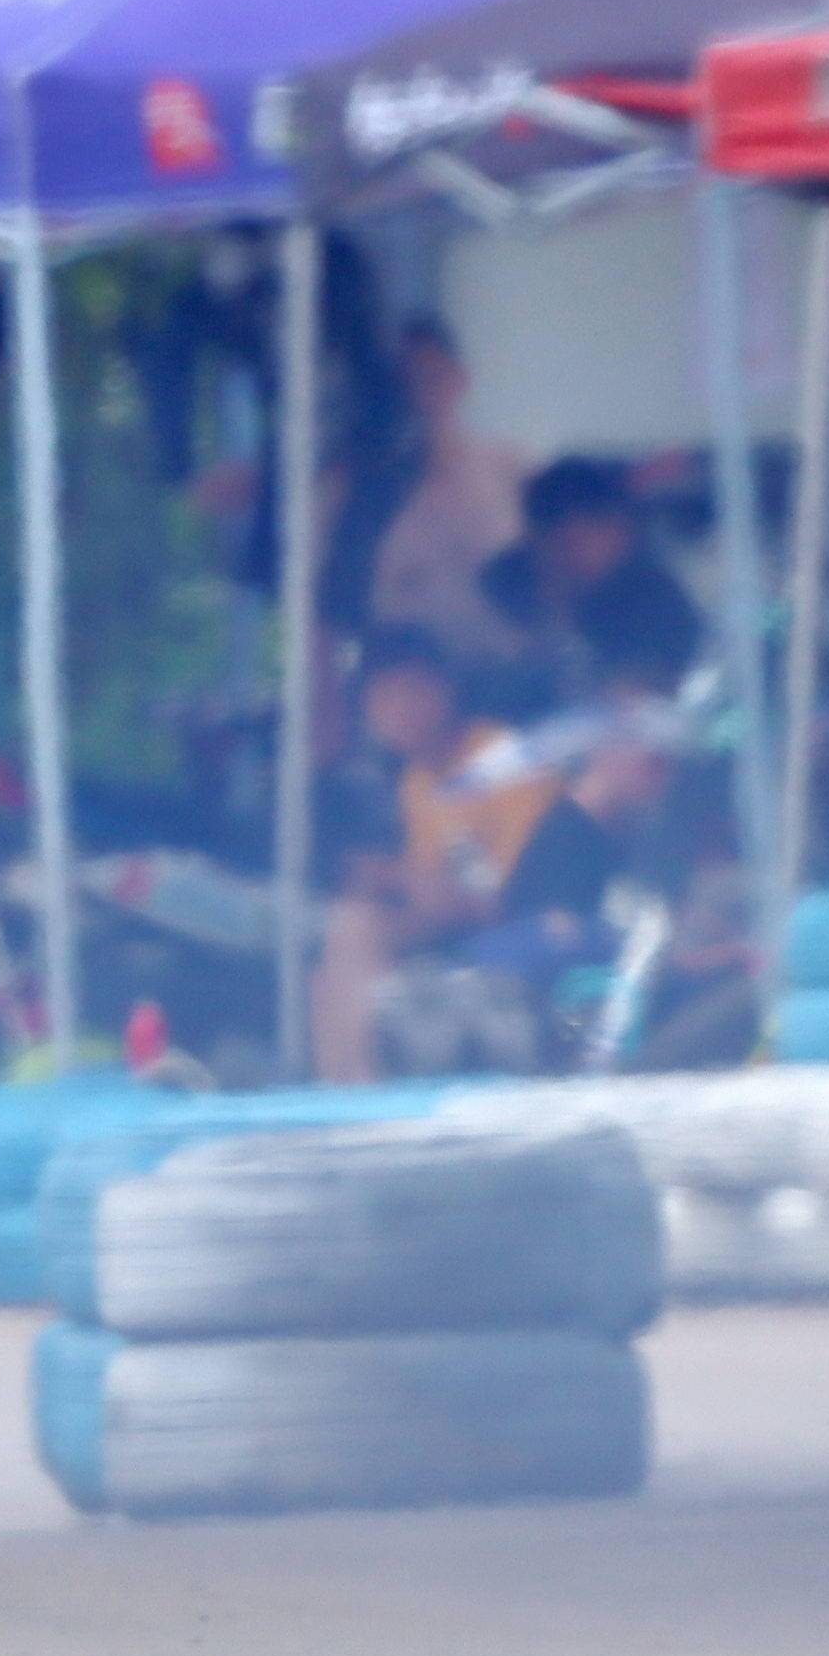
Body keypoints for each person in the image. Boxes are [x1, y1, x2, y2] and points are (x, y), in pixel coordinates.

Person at [307, 632, 562, 1083]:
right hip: (448, 922)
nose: (399, 712)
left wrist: (402, 877)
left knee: (357, 929)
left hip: (516, 919)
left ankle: (360, 1083)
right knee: (344, 932)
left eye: (410, 692)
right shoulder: (416, 780)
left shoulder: (502, 757)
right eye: (383, 699)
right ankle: (343, 1083)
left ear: (445, 690)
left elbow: (515, 888)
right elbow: (429, 880)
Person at [473, 454, 703, 716]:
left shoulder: (659, 602)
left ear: (621, 528)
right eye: (561, 540)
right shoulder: (504, 589)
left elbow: (658, 689)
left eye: (588, 536)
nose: (575, 552)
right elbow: (491, 675)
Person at [361, 318, 532, 659]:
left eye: (433, 377)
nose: (421, 395)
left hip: (511, 672)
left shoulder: (511, 471)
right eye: (407, 383)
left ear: (459, 378)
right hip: (414, 679)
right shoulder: (366, 494)